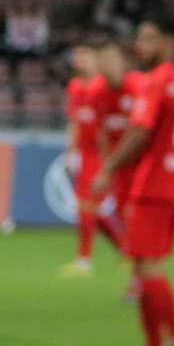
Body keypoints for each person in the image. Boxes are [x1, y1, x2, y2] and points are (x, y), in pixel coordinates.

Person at [95, 18, 174, 346]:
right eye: (139, 38)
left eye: (149, 39)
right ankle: (171, 342)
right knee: (149, 264)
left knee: (147, 266)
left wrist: (108, 169)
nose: (141, 45)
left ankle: (166, 344)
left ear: (169, 42)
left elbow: (140, 131)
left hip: (154, 185)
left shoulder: (157, 80)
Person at [59, 40, 127, 276]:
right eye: (76, 56)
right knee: (91, 209)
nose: (80, 60)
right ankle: (126, 250)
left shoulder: (103, 86)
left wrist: (109, 158)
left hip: (100, 154)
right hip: (84, 153)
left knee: (87, 205)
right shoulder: (75, 86)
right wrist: (70, 152)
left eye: (85, 55)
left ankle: (84, 261)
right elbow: (75, 122)